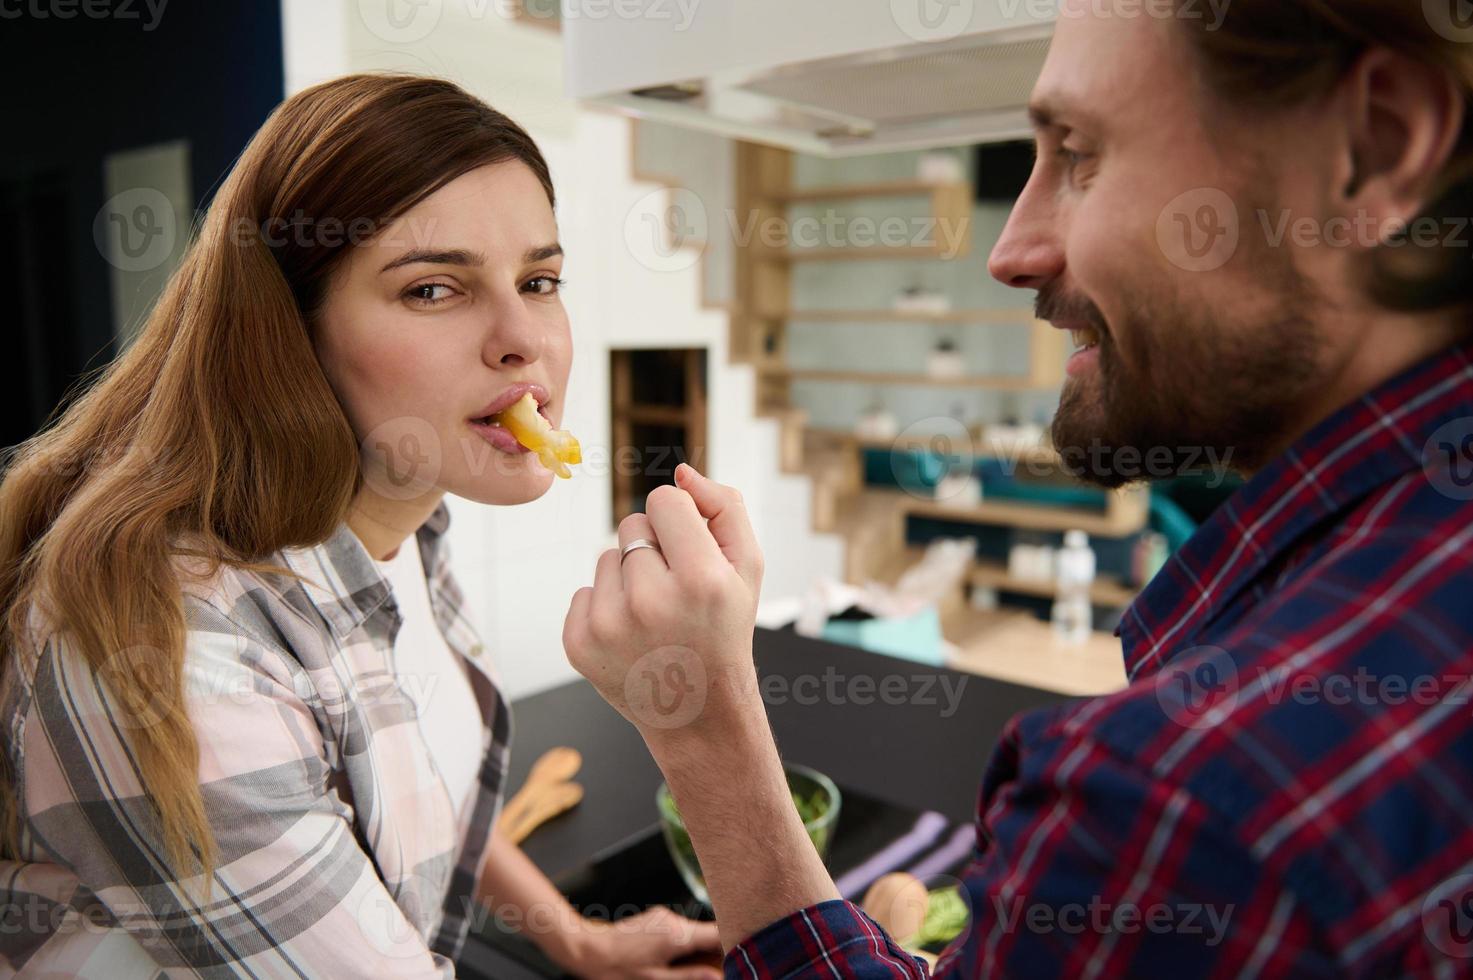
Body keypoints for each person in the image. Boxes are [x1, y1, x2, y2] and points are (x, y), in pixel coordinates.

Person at [564, 2, 1473, 976]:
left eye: (1078, 154)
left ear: (1375, 148)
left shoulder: (1186, 794)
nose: (1011, 251)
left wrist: (702, 725)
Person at [0, 74, 720, 978]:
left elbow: (404, 796)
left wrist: (575, 939)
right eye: (431, 290)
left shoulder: (404, 518)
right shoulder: (178, 658)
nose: (522, 338)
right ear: (286, 334)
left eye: (538, 279)